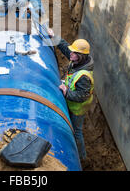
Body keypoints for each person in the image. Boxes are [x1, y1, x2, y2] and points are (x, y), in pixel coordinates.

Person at [48, 29, 94, 162]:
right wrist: (54, 36)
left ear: (81, 56)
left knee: (76, 131)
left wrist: (66, 92)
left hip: (78, 108)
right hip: (71, 102)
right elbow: (65, 48)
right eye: (72, 52)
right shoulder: (77, 60)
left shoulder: (84, 75)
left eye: (74, 53)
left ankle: (82, 158)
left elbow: (82, 96)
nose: (71, 54)